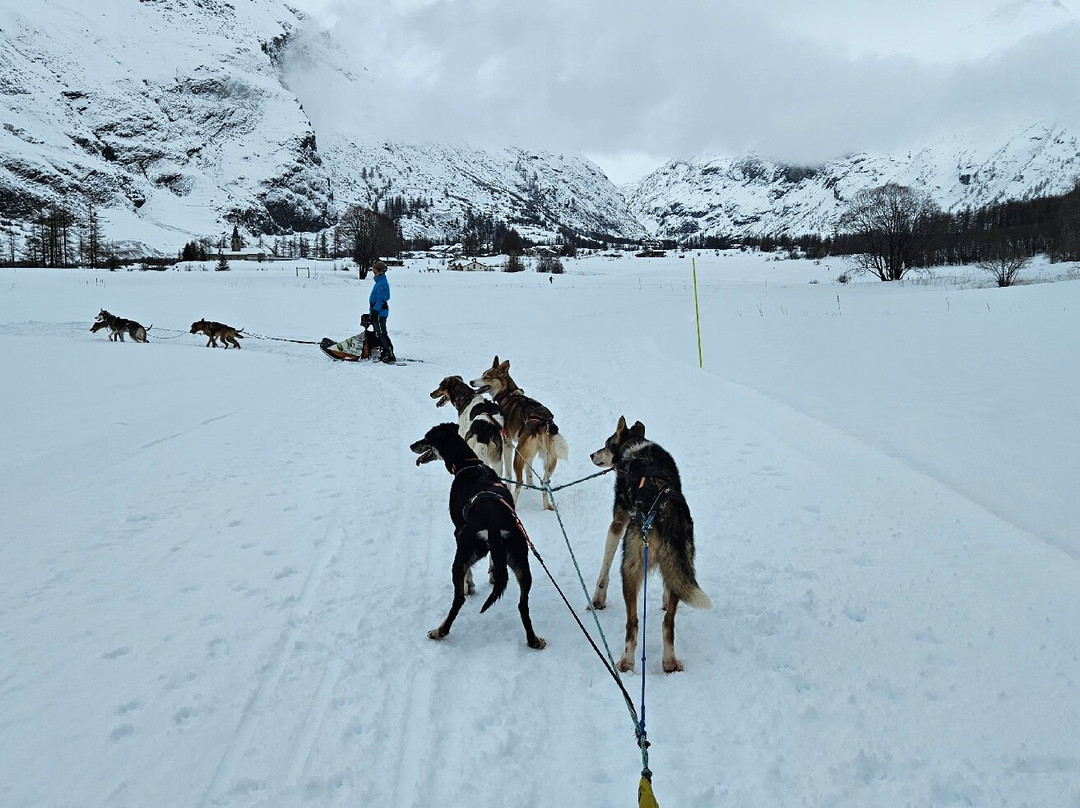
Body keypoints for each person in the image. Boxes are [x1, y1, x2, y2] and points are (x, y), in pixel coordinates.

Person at [368, 260, 395, 363]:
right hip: (377, 311)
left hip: (379, 312)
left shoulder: (381, 283)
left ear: (380, 271)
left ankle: (390, 355)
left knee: (382, 334)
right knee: (379, 333)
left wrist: (375, 311)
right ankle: (385, 351)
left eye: (375, 270)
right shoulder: (380, 282)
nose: (373, 272)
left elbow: (381, 299)